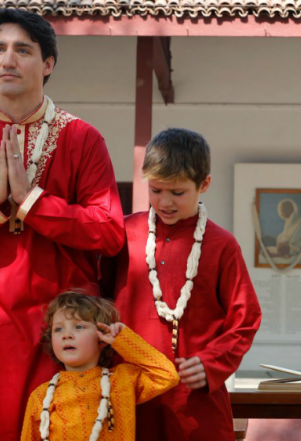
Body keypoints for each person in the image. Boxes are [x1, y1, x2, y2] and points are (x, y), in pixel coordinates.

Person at [0, 9, 125, 439]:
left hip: (65, 334)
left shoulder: (81, 138)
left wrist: (33, 202)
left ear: (48, 64)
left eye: (22, 50)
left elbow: (109, 231)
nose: (7, 60)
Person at [101, 128, 262, 440]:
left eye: (177, 193)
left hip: (196, 398)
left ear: (204, 184)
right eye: (156, 190)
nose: (165, 202)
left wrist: (212, 364)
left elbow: (246, 318)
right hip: (130, 393)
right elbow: (97, 302)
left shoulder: (221, 245)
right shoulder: (122, 235)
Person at [20, 292, 179, 441]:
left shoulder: (123, 379)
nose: (66, 335)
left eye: (79, 327)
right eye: (58, 329)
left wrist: (122, 339)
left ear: (101, 337)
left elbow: (167, 375)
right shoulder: (41, 397)